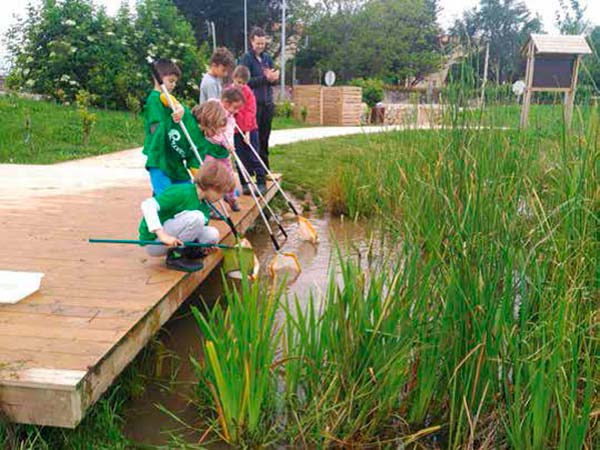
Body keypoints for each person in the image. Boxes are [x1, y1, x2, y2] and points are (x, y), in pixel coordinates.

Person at [138, 160, 236, 272]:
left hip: (173, 239)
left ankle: (190, 252)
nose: (221, 197)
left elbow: (194, 231)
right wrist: (162, 235)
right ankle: (175, 257)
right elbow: (148, 205)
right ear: (212, 186)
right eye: (221, 193)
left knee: (212, 234)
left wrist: (204, 247)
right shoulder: (182, 192)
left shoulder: (203, 204)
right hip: (154, 242)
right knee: (196, 217)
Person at [142, 59, 202, 196]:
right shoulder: (154, 100)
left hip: (171, 155)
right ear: (158, 78)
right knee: (165, 194)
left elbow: (179, 109)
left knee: (177, 188)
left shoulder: (169, 99)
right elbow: (156, 127)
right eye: (170, 81)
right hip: (159, 154)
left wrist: (180, 109)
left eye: (175, 81)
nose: (173, 85)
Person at [240, 27, 279, 169]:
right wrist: (265, 78)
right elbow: (245, 82)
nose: (261, 46)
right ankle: (250, 168)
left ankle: (264, 167)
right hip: (252, 106)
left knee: (264, 138)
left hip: (267, 104)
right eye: (258, 43)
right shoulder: (246, 59)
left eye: (263, 43)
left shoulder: (267, 58)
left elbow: (271, 80)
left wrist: (274, 78)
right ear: (252, 42)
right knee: (252, 139)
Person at [192, 99, 241, 212]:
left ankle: (231, 197)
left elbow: (227, 134)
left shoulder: (224, 126)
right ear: (210, 123)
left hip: (222, 154)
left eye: (223, 126)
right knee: (209, 179)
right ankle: (208, 205)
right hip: (210, 154)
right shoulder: (203, 133)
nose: (221, 130)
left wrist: (229, 145)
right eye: (219, 127)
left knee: (229, 177)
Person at [231, 65, 266, 195]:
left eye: (243, 83)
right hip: (234, 131)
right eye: (238, 82)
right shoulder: (229, 91)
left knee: (253, 156)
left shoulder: (249, 94)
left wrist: (247, 132)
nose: (240, 85)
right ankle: (244, 183)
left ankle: (261, 182)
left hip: (250, 130)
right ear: (233, 78)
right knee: (240, 158)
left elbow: (251, 113)